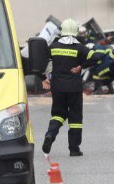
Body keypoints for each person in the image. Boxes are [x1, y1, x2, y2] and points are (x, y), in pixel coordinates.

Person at [41, 18, 99, 156]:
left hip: (58, 88)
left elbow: (42, 61)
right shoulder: (79, 47)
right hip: (74, 88)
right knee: (75, 119)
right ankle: (74, 149)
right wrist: (81, 66)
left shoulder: (54, 47)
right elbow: (95, 57)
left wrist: (43, 78)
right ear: (75, 31)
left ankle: (50, 134)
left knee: (58, 114)